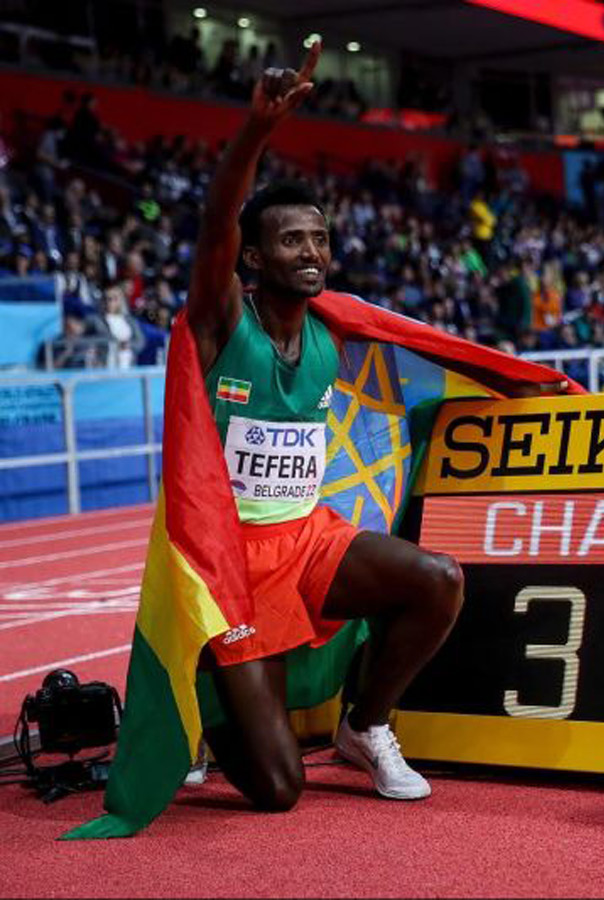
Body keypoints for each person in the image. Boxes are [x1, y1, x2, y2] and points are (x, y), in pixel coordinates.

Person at [185, 40, 463, 810]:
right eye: (289, 240)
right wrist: (256, 131)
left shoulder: (331, 332)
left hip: (307, 539)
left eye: (319, 238)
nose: (310, 252)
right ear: (254, 258)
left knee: (437, 580)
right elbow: (216, 224)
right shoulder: (219, 320)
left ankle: (365, 727)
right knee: (277, 793)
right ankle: (198, 707)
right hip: (229, 563)